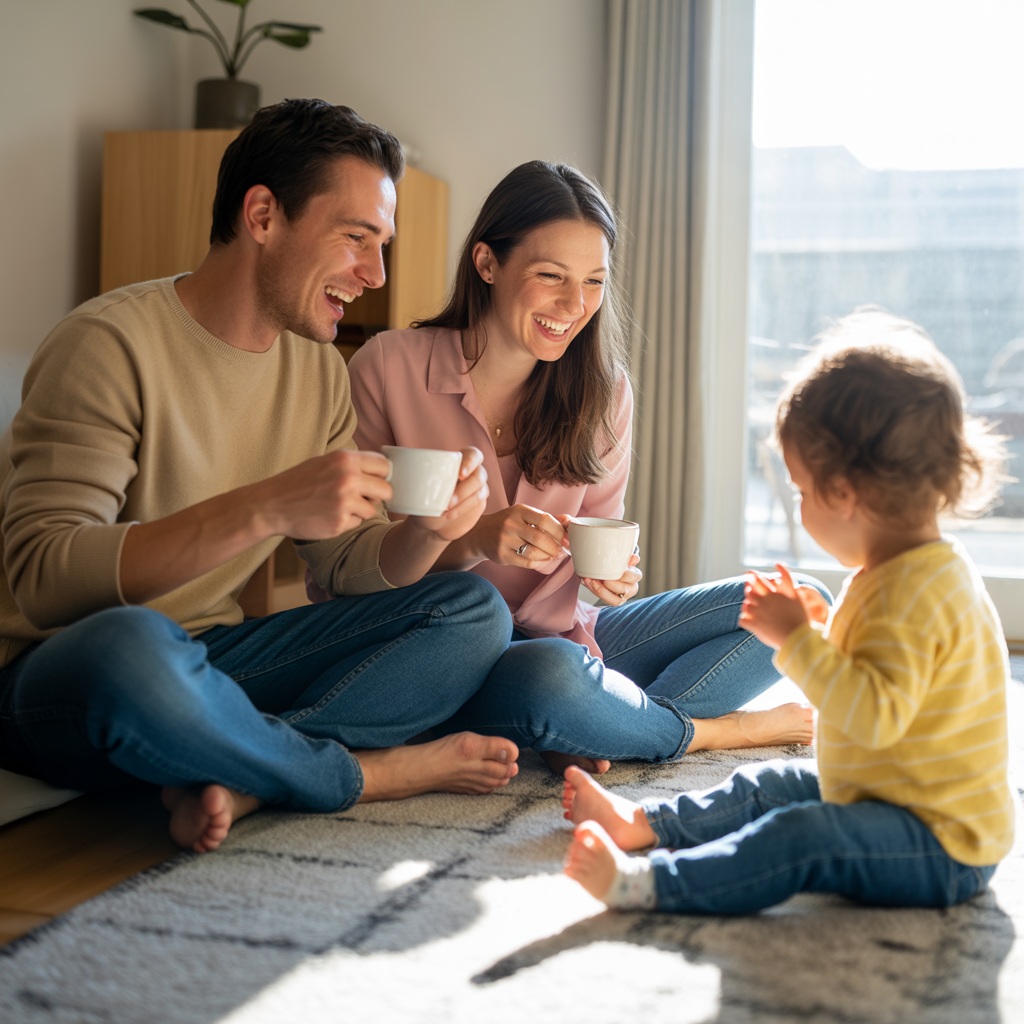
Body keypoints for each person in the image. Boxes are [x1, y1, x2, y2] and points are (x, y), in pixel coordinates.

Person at [0, 99, 527, 855]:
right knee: (133, 647)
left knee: (472, 612)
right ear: (262, 216)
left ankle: (242, 773)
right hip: (65, 676)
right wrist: (268, 506)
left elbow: (343, 567)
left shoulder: (316, 371)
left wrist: (427, 535)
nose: (374, 275)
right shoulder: (108, 345)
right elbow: (44, 577)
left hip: (215, 666)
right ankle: (359, 774)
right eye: (356, 239)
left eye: (382, 246)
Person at [342, 160, 829, 774]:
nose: (575, 305)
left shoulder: (605, 392)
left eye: (595, 281)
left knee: (800, 602)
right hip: (441, 654)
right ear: (487, 263)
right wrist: (472, 541)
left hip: (568, 644)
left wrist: (611, 582)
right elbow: (349, 567)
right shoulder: (389, 367)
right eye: (551, 276)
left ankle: (598, 721)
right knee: (554, 678)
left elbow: (595, 548)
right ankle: (703, 732)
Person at [562, 311, 1013, 914]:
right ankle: (644, 823)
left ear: (846, 494)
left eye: (801, 490)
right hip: (889, 794)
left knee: (802, 837)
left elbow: (873, 716)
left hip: (939, 842)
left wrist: (799, 641)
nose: (797, 504)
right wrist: (822, 633)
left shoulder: (916, 595)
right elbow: (884, 676)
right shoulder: (909, 571)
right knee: (769, 785)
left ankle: (655, 885)